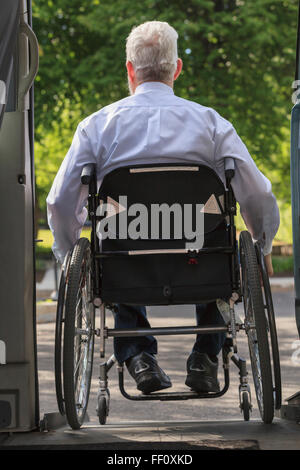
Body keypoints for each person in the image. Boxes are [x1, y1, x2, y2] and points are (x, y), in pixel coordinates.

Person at [47, 21, 280, 395]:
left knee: (116, 233)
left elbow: (60, 202)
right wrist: (261, 241)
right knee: (211, 229)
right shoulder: (211, 125)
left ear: (129, 69)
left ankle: (138, 356)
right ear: (177, 68)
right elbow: (257, 195)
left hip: (126, 266)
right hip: (201, 262)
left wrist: (67, 254)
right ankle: (205, 355)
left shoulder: (97, 127)